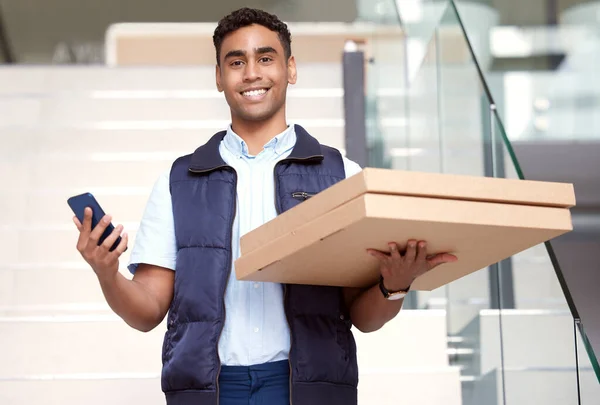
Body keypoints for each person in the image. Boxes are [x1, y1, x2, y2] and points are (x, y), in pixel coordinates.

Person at [73, 7, 457, 405]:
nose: (252, 73)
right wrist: (107, 273)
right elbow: (147, 309)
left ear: (290, 68)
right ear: (219, 77)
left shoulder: (342, 174)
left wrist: (395, 286)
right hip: (211, 391)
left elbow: (361, 316)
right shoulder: (178, 180)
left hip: (307, 389)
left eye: (266, 58)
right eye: (236, 62)